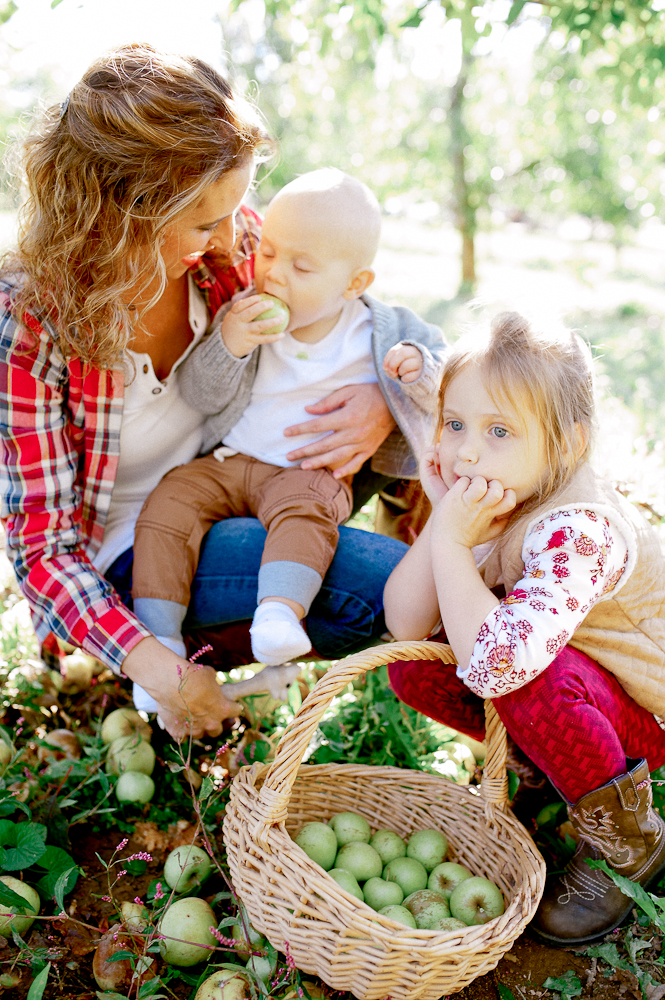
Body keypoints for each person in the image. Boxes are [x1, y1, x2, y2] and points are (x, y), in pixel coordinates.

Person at [0, 44, 408, 740]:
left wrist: (382, 408)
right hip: (131, 559)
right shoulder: (32, 327)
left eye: (236, 208)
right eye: (204, 222)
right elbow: (42, 551)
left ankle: (240, 658)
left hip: (237, 486)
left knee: (399, 565)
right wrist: (160, 668)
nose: (234, 237)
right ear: (119, 216)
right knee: (387, 591)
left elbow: (351, 314)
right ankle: (175, 663)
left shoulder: (229, 249)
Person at [382, 311, 665, 946]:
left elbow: (498, 664)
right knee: (418, 663)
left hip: (653, 717)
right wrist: (440, 518)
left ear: (567, 445)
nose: (468, 450)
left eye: (499, 430)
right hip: (591, 695)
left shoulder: (579, 533)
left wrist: (457, 548)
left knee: (527, 677)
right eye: (455, 425)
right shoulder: (502, 490)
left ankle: (627, 843)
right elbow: (406, 623)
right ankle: (557, 765)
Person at [129, 168, 445, 695]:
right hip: (231, 460)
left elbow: (448, 375)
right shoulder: (246, 315)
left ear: (354, 283)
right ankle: (160, 639)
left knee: (307, 516)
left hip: (306, 472)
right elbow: (200, 396)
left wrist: (417, 369)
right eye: (269, 252)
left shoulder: (381, 330)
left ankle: (278, 614)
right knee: (170, 503)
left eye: (301, 266)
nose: (274, 274)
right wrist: (229, 343)